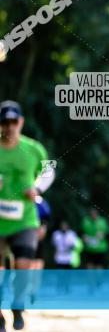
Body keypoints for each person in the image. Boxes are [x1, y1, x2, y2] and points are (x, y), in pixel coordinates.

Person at [0, 100, 53, 331]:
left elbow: (49, 170)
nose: (10, 126)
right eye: (5, 122)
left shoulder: (33, 148)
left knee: (22, 265)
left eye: (14, 121)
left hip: (25, 220)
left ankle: (17, 305)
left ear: (20, 122)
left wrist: (38, 189)